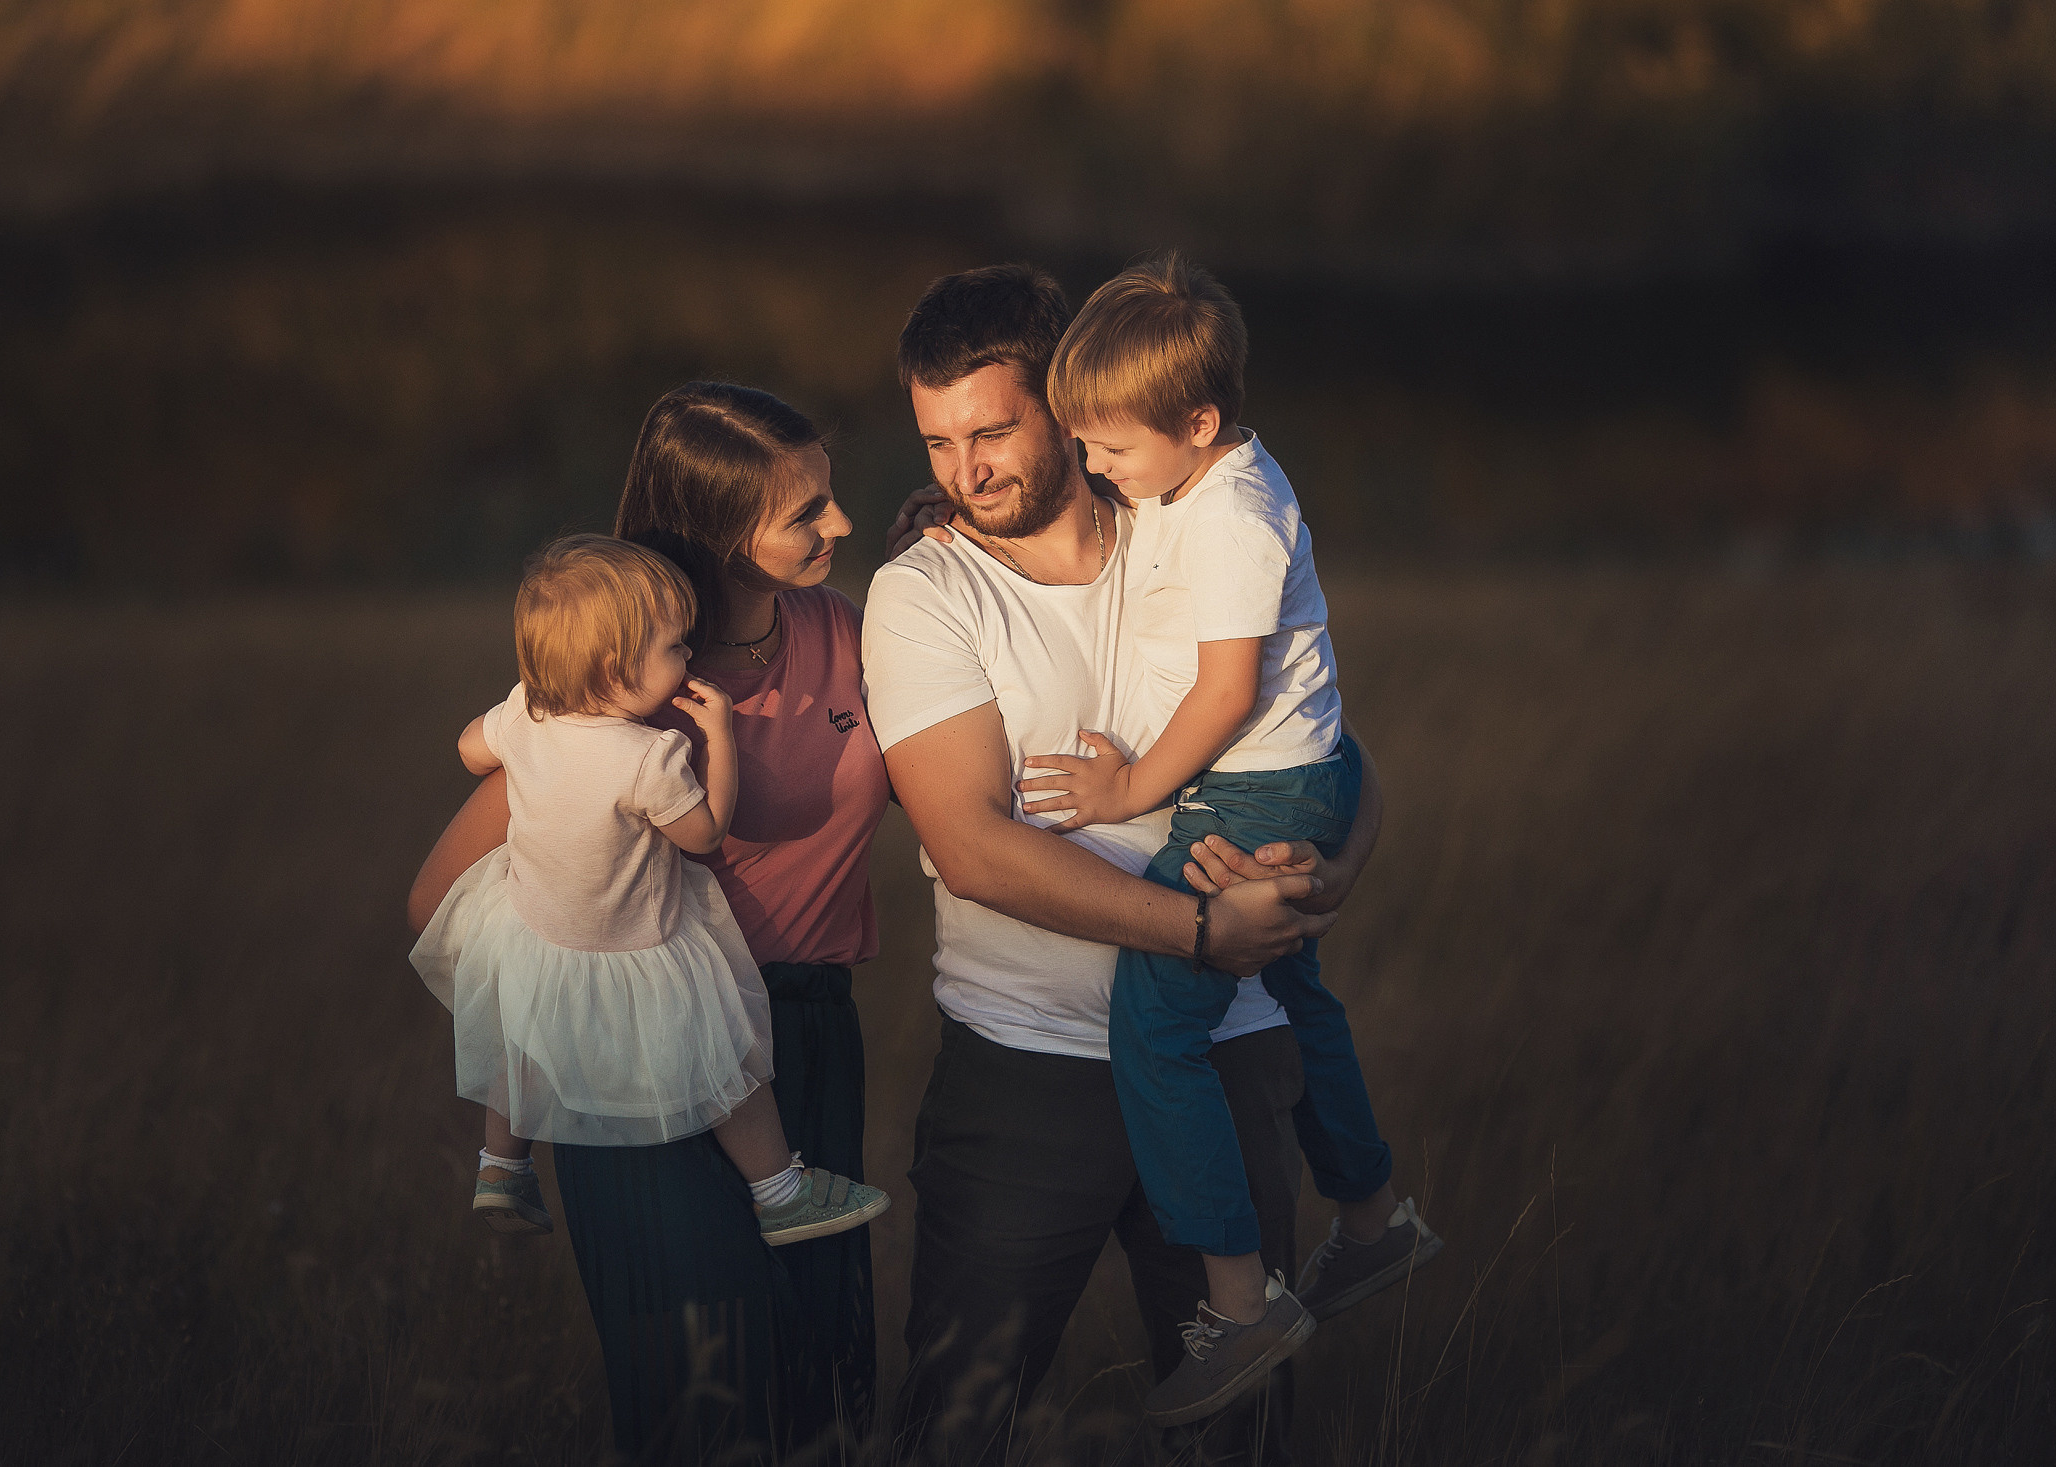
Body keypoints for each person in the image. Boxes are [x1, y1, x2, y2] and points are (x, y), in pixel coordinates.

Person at [867, 263, 1384, 1463]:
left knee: (1248, 1424)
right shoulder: (924, 593)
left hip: (1228, 1045)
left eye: (992, 429)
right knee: (955, 1419)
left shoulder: (1199, 517)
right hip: (1026, 1069)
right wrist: (1199, 934)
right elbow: (972, 848)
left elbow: (1327, 742)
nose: (966, 470)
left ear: (1070, 400)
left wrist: (1339, 867)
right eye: (938, 442)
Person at [407, 384, 891, 1457]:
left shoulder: (850, 633)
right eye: (806, 511)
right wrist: (572, 1002)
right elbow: (434, 897)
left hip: (807, 1037)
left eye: (831, 499)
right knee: (705, 1386)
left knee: (819, 1386)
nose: (839, 527)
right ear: (722, 534)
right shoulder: (607, 695)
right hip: (640, 1061)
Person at [1014, 253, 1440, 1424]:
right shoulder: (1197, 485)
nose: (1095, 467)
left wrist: (1125, 793)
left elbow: (1223, 691)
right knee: (1297, 990)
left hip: (1253, 791)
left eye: (1113, 447)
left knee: (1153, 1025)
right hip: (1292, 775)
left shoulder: (1232, 520)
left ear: (1197, 421)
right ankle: (1367, 1220)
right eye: (1082, 441)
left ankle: (1240, 1308)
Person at [412, 531, 887, 1248]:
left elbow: (467, 747)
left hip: (539, 937)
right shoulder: (649, 755)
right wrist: (719, 736)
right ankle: (780, 1192)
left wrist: (517, 723)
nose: (689, 657)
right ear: (616, 666)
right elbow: (704, 833)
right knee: (733, 1072)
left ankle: (500, 1165)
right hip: (638, 949)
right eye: (673, 647)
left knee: (521, 1038)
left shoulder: (524, 716)